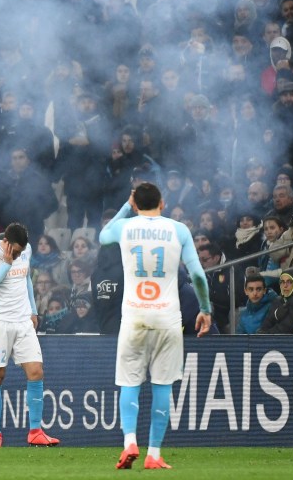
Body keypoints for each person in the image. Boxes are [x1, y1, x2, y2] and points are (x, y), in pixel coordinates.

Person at [99, 183, 212, 470]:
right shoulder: (179, 230)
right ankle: (154, 453)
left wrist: (126, 207)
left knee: (129, 382)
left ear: (135, 204)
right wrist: (205, 309)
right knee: (162, 386)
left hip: (134, 317)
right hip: (167, 319)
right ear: (162, 203)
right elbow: (198, 275)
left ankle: (129, 442)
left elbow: (102, 236)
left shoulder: (125, 228)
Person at [0, 223, 60, 448]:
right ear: (5, 242)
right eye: (15, 251)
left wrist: (33, 310)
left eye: (21, 251)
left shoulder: (26, 250)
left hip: (23, 321)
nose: (19, 254)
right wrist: (6, 265)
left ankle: (35, 431)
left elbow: (26, 280)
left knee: (36, 371)